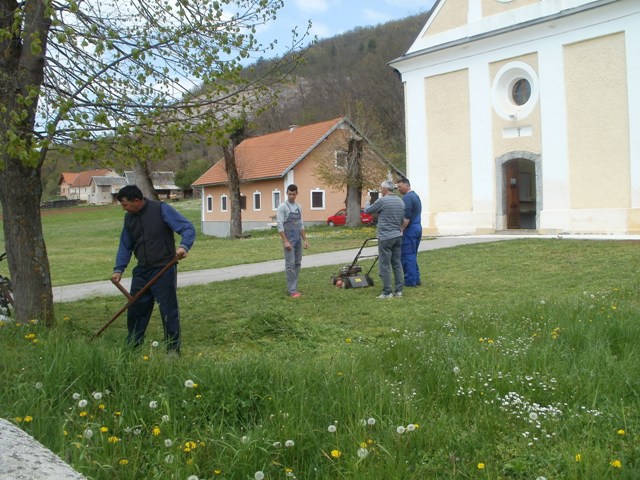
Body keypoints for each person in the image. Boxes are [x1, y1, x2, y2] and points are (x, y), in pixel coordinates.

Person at [111, 185, 195, 355]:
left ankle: (172, 350)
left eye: (125, 205)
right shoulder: (129, 219)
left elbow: (187, 228)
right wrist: (119, 269)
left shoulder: (160, 209)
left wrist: (184, 246)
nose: (123, 208)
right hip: (142, 270)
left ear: (137, 200)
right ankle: (133, 346)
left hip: (164, 268)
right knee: (136, 308)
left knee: (168, 310)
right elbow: (125, 245)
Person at [365, 180, 405, 298]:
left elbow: (368, 210)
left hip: (385, 237)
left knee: (384, 264)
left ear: (385, 189)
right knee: (397, 263)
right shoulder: (400, 202)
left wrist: (367, 201)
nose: (380, 190)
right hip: (398, 236)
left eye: (381, 188)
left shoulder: (382, 200)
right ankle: (399, 291)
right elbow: (402, 220)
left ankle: (387, 292)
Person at [276, 184, 309, 297]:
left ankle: (294, 286)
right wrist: (285, 241)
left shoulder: (299, 207)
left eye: (293, 194)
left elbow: (301, 224)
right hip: (288, 239)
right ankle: (292, 290)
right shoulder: (282, 207)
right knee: (290, 265)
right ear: (287, 193)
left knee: (297, 263)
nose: (291, 196)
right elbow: (279, 225)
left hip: (298, 239)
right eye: (289, 194)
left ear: (296, 194)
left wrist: (305, 239)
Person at [397, 178, 422, 287]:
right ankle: (416, 278)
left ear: (407, 185)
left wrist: (401, 229)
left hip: (410, 229)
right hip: (417, 227)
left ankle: (410, 281)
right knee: (413, 255)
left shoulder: (407, 198)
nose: (399, 189)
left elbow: (407, 217)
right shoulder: (416, 196)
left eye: (400, 186)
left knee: (407, 255)